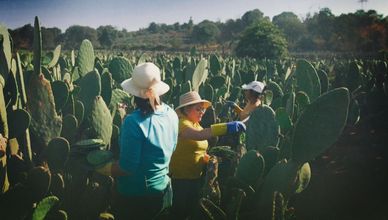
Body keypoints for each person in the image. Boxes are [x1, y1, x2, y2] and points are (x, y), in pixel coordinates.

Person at [96, 62, 179, 220]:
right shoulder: (171, 114)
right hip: (164, 190)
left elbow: (127, 168)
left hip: (136, 196)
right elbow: (173, 147)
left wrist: (101, 168)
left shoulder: (133, 122)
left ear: (134, 93)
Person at [169, 91, 246, 219]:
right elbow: (200, 135)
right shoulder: (181, 123)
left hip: (195, 177)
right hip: (180, 179)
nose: (202, 112)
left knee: (190, 211)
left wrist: (208, 159)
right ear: (186, 110)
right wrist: (227, 127)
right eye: (198, 109)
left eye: (203, 109)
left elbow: (198, 149)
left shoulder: (195, 124)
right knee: (179, 213)